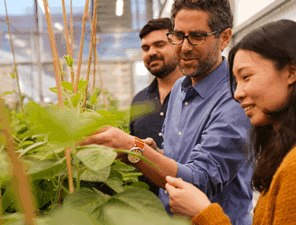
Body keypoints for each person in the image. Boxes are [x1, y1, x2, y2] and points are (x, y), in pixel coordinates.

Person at [79, 0, 253, 224]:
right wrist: (154, 155)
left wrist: (134, 148)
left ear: (225, 38)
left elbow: (201, 180)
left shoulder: (236, 97)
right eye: (179, 35)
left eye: (197, 36)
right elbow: (181, 161)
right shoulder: (180, 88)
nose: (185, 46)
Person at [165, 19, 296, 225]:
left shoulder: (294, 167)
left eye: (246, 77)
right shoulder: (178, 90)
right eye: (178, 36)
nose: (237, 94)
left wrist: (204, 213)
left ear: (290, 72)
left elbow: (202, 175)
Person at [129, 18, 183, 195]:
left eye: (159, 44)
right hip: (149, 207)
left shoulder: (196, 96)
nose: (151, 52)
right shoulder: (139, 100)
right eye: (146, 48)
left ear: (178, 44)